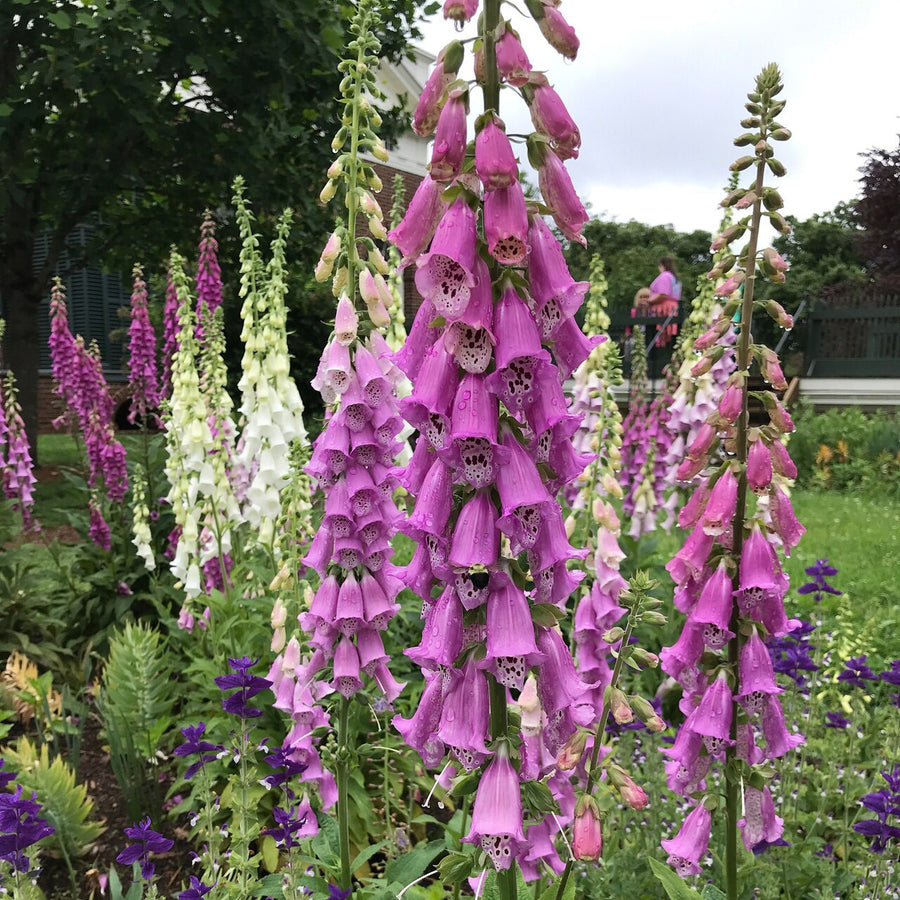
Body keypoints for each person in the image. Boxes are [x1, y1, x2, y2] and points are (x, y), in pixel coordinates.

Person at [647, 256, 681, 346]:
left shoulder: (665, 276)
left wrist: (649, 301)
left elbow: (663, 294)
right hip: (673, 307)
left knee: (661, 333)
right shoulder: (674, 277)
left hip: (664, 309)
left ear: (661, 265)